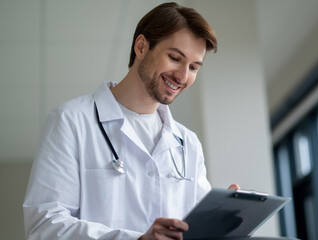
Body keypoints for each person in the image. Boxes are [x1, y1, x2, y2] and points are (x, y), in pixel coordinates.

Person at [23, 2, 240, 240]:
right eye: (175, 58)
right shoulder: (71, 122)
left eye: (193, 67)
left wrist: (220, 219)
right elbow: (44, 226)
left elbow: (193, 231)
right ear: (141, 46)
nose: (183, 76)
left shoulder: (188, 144)